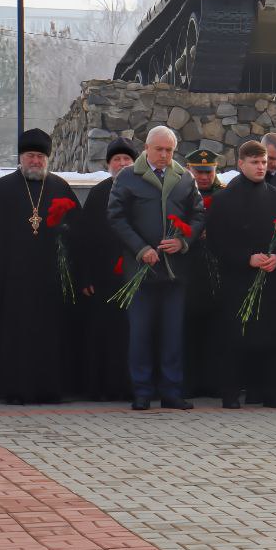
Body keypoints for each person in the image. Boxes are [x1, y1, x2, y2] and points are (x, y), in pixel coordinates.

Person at [107, 126, 205, 411]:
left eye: (169, 150)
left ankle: (171, 391)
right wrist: (141, 249)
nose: (164, 155)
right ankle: (142, 391)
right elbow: (116, 217)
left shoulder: (185, 178)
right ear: (147, 148)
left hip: (175, 272)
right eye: (159, 149)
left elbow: (198, 214)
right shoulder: (128, 177)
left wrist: (183, 241)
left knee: (173, 334)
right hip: (141, 272)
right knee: (140, 333)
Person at [0, 129, 82, 404]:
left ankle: (49, 389)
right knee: (16, 337)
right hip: (15, 280)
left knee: (50, 336)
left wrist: (64, 230)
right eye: (30, 156)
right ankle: (16, 390)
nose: (35, 161)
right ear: (21, 157)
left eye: (40, 156)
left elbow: (79, 232)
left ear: (47, 159)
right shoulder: (3, 187)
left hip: (50, 280)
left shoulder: (61, 187)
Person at [206, 140, 276, 408]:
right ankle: (232, 392)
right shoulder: (224, 199)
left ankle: (272, 391)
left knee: (273, 336)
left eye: (263, 162)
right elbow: (215, 242)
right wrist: (246, 258)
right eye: (255, 162)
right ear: (240, 164)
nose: (261, 167)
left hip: (272, 278)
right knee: (236, 337)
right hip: (239, 279)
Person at [76, 138, 138, 402]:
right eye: (117, 160)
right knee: (102, 333)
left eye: (127, 159)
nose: (122, 164)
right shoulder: (99, 193)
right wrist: (85, 275)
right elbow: (84, 238)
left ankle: (129, 387)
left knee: (131, 334)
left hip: (135, 275)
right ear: (108, 165)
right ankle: (100, 387)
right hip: (103, 278)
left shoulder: (144, 190)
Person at [181, 147, 226, 399]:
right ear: (190, 170)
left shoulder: (223, 195)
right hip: (190, 268)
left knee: (216, 330)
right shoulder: (182, 194)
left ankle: (214, 381)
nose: (205, 177)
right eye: (199, 172)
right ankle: (189, 382)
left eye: (209, 172)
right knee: (189, 328)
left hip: (216, 270)